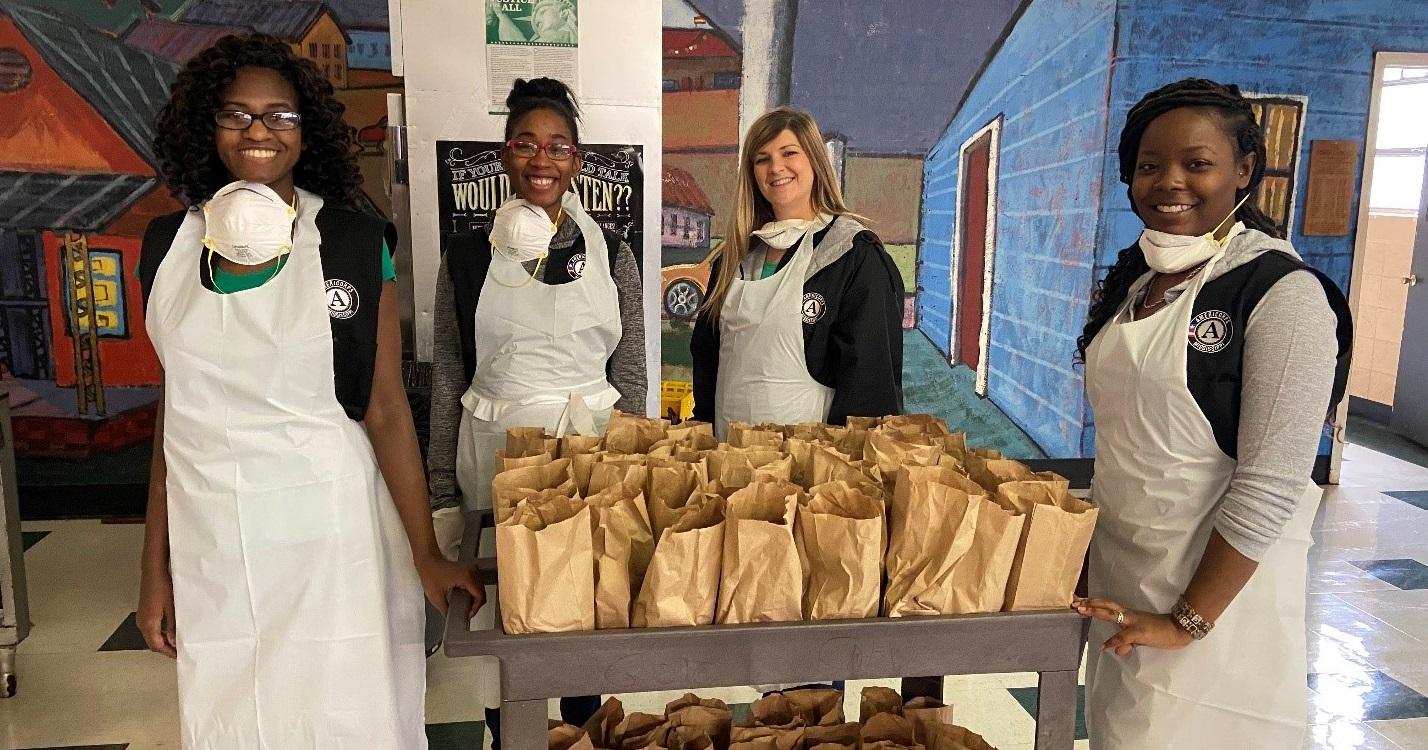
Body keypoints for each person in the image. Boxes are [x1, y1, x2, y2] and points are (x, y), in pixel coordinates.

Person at [135, 34, 482, 748]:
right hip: (215, 536)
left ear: (307, 130)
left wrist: (424, 551)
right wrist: (155, 571)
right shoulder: (168, 248)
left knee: (343, 711)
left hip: (331, 533)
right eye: (236, 114)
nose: (258, 130)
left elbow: (386, 408)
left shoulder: (353, 241)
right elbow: (177, 419)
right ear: (208, 126)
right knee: (236, 716)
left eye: (279, 115)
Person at [1074, 78, 1352, 749]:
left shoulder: (1282, 295)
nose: (1170, 182)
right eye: (1149, 166)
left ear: (1244, 171)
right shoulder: (1139, 285)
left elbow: (1271, 482)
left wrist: (1188, 621)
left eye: (1197, 163)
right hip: (1128, 582)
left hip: (1219, 605)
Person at [426, 76, 645, 746]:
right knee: (508, 620)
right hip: (495, 461)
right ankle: (511, 732)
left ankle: (583, 730)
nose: (542, 158)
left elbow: (630, 368)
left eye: (558, 146)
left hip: (592, 458)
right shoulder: (465, 255)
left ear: (577, 159)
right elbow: (448, 375)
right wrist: (440, 491)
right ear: (505, 154)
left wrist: (637, 464)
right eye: (526, 143)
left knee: (586, 611)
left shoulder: (612, 251)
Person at [690, 106, 904, 438]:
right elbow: (708, 364)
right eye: (762, 159)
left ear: (816, 162)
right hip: (728, 466)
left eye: (789, 153)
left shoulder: (852, 256)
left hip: (810, 474)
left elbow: (870, 385)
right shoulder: (733, 261)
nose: (776, 167)